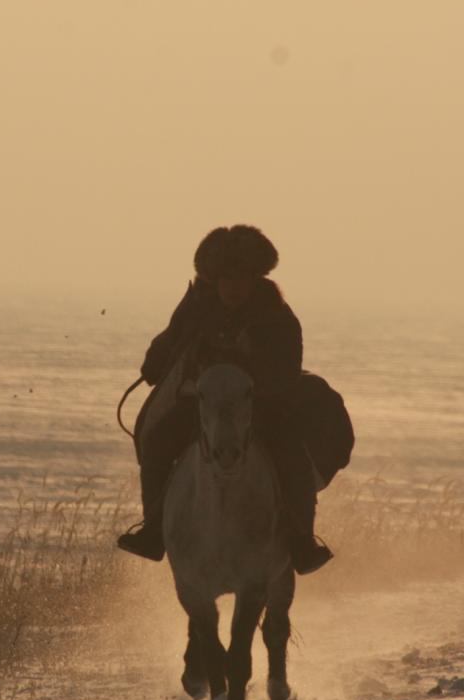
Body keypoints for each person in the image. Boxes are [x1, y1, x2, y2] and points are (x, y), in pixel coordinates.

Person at [117, 225, 334, 575]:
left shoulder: (276, 314)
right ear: (213, 279)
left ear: (255, 278)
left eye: (241, 277)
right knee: (156, 442)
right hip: (200, 406)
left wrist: (252, 377)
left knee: (291, 456)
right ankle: (153, 530)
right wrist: (156, 363)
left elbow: (288, 371)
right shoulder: (197, 306)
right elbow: (167, 345)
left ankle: (301, 541)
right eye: (226, 278)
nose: (233, 286)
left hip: (260, 409)